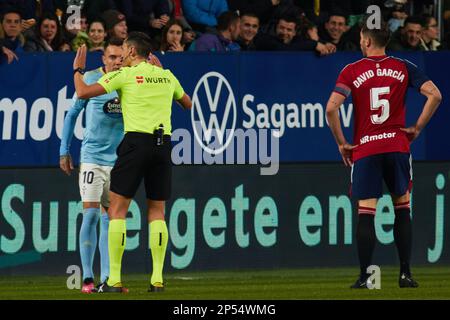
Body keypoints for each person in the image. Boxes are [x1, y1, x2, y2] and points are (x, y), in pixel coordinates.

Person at [72, 31, 192, 293]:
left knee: (116, 211)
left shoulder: (125, 74)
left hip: (135, 143)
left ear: (133, 52)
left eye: (124, 50)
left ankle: (114, 279)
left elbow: (82, 92)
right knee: (157, 211)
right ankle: (157, 279)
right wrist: (161, 77)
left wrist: (78, 69)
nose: (122, 55)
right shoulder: (166, 75)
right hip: (163, 145)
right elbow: (188, 103)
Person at [326, 19, 442, 289]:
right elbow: (435, 95)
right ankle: (405, 274)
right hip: (397, 145)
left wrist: (342, 143)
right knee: (402, 208)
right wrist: (416, 128)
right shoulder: (403, 66)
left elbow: (331, 108)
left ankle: (365, 277)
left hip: (366, 148)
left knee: (367, 212)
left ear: (366, 41)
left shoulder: (352, 70)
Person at [60, 37, 125, 294]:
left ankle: (108, 278)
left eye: (121, 58)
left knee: (112, 220)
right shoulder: (90, 79)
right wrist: (64, 150)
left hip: (119, 162)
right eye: (112, 57)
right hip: (93, 159)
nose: (117, 62)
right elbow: (72, 114)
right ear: (103, 59)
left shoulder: (129, 80)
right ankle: (87, 277)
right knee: (91, 214)